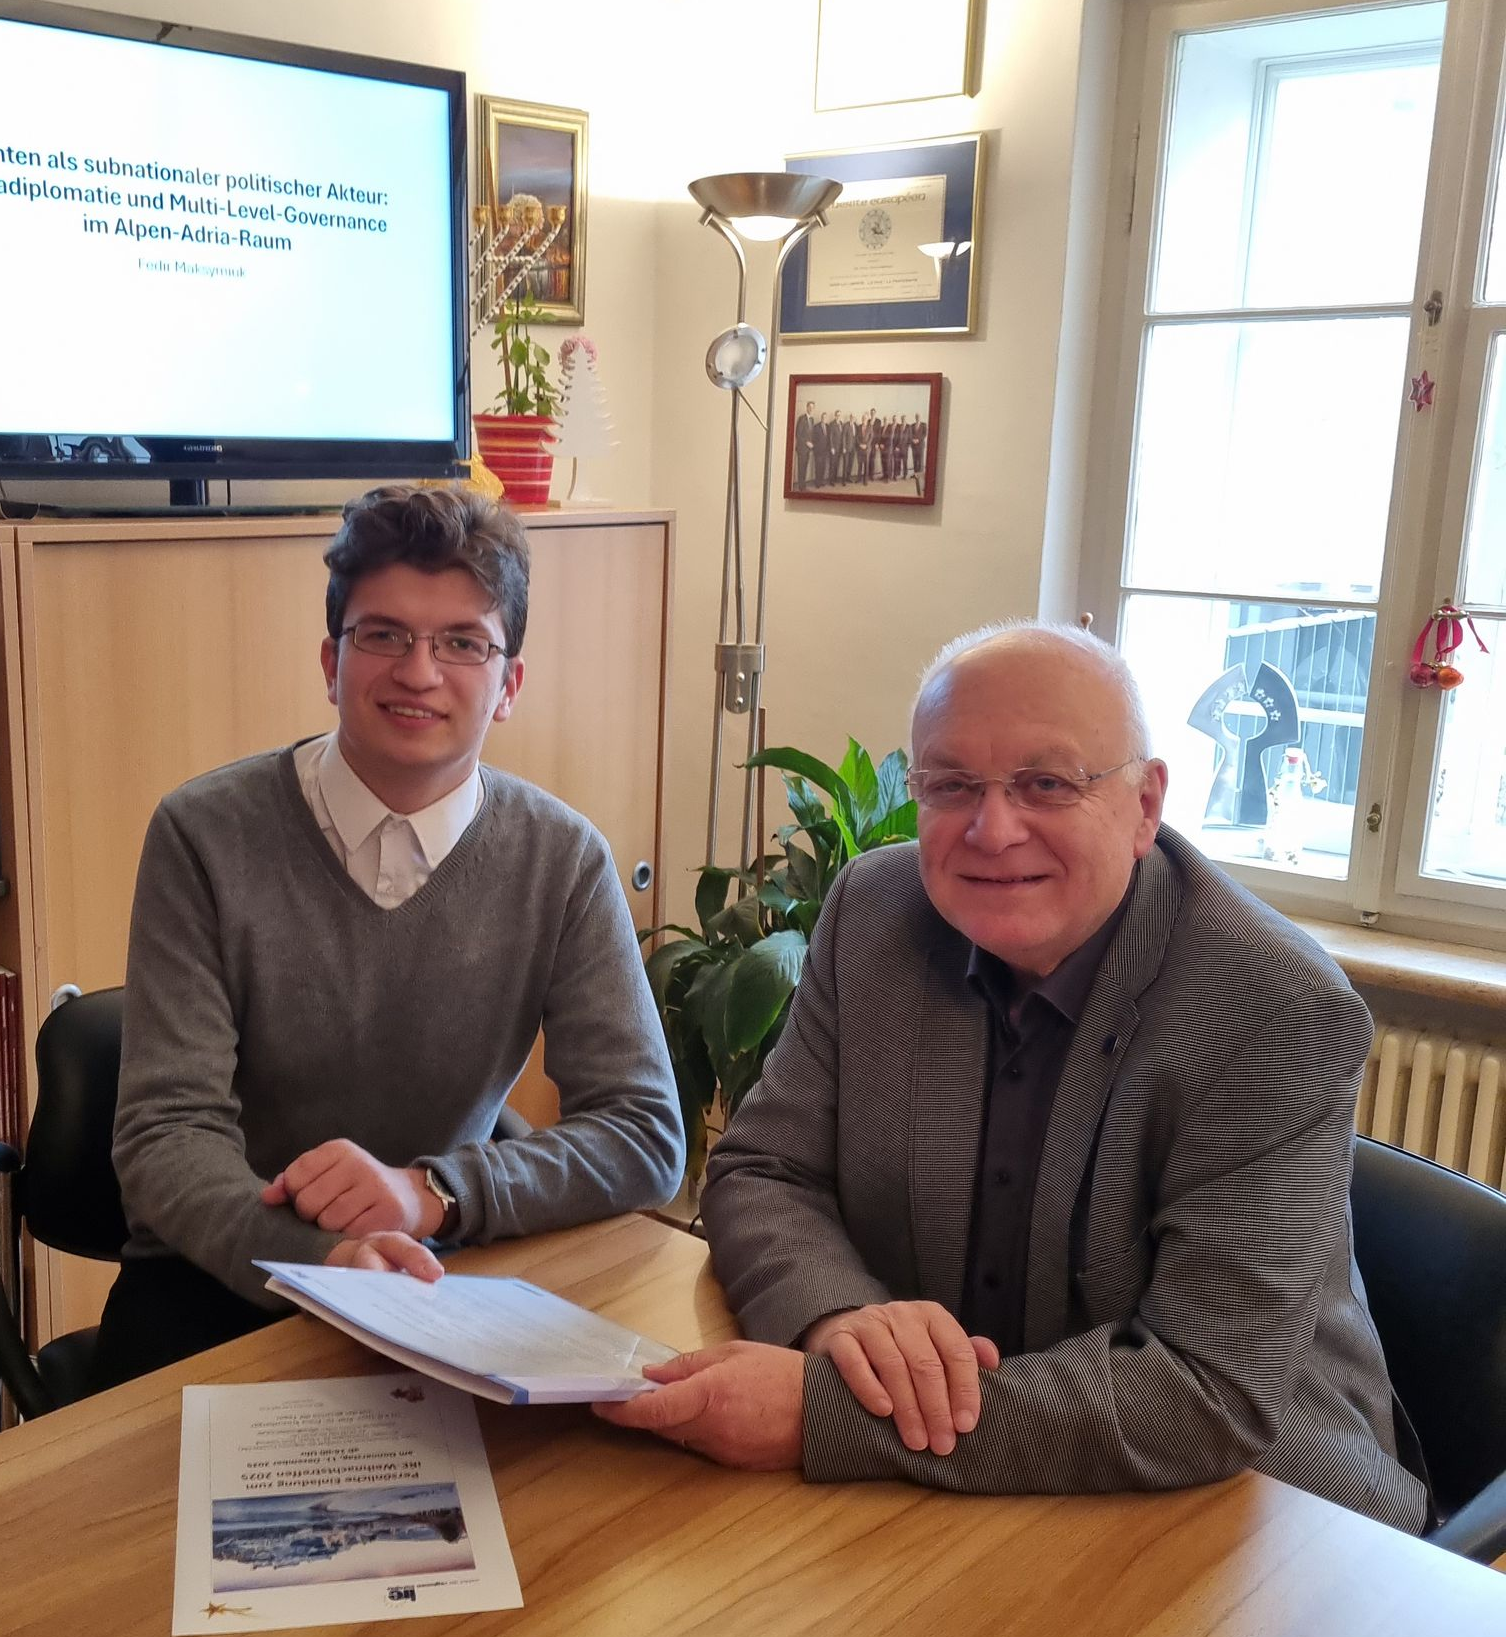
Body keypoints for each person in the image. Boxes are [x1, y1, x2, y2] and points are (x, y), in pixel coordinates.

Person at [596, 621, 1427, 1533]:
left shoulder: (1274, 1005)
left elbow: (1206, 1392)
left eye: (1047, 783)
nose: (992, 831)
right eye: (951, 785)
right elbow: (763, 1169)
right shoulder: (873, 913)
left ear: (1145, 804)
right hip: (963, 1497)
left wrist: (827, 1414)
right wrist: (841, 1320)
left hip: (1254, 1512)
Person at [99, 484, 686, 1384]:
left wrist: (431, 1192)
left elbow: (644, 1132)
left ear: (509, 685)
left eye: (462, 643)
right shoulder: (203, 834)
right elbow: (166, 1136)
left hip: (438, 1273)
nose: (419, 672)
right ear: (331, 663)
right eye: (383, 635)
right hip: (220, 1278)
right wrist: (324, 1259)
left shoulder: (563, 859)